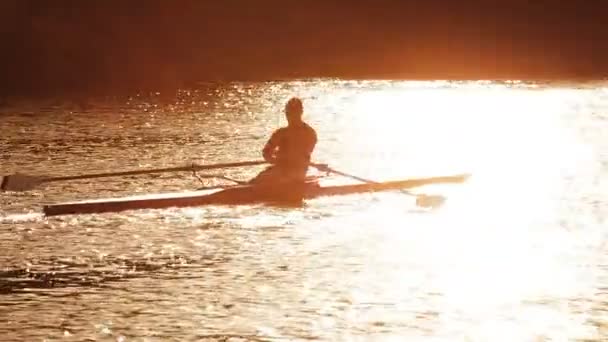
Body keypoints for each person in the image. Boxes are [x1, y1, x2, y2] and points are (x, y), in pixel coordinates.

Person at [250, 97, 317, 185]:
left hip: (292, 173)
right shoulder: (281, 133)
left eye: (293, 113)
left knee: (259, 180)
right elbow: (266, 152)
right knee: (257, 179)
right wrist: (274, 159)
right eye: (288, 113)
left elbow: (304, 154)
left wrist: (279, 158)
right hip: (289, 172)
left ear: (300, 113)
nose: (289, 116)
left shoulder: (309, 133)